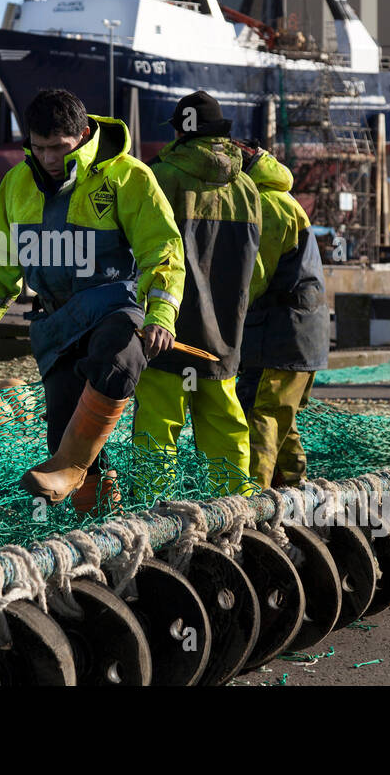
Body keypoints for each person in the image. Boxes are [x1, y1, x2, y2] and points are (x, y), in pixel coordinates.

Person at [0, 89, 185, 507]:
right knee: (62, 429)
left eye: (59, 148)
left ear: (83, 135)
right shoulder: (15, 184)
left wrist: (162, 314)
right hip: (57, 323)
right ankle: (95, 523)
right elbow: (0, 260)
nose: (48, 158)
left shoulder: (128, 177)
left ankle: (71, 465)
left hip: (114, 308)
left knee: (118, 357)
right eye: (39, 147)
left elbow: (164, 250)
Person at [132, 91, 263, 494]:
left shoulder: (157, 177)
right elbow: (255, 272)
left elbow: (141, 255)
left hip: (166, 334)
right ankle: (237, 521)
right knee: (227, 430)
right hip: (224, 337)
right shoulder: (248, 190)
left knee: (158, 435)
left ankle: (154, 528)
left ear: (177, 133)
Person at [236, 145, 329, 490]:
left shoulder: (267, 204)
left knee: (258, 415)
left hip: (281, 335)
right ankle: (295, 493)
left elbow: (255, 277)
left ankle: (252, 504)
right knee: (282, 419)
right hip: (303, 336)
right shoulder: (282, 199)